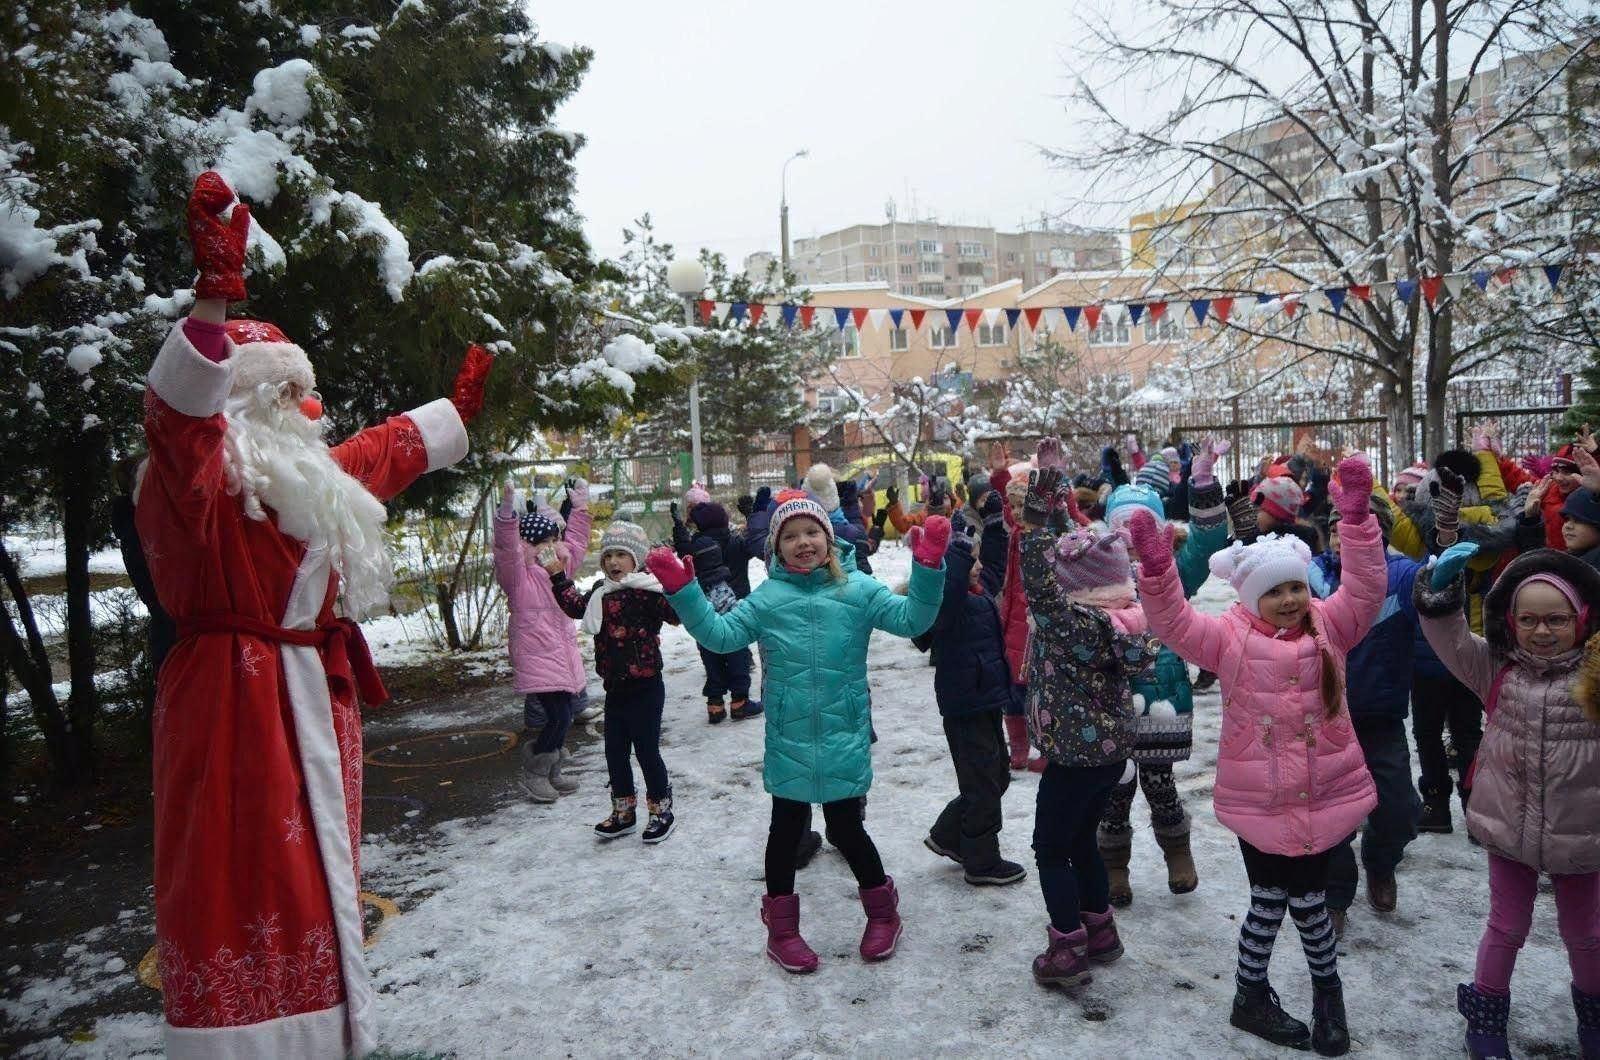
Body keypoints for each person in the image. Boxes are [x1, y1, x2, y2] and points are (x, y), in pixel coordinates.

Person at [139, 172, 485, 1056]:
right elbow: (180, 425)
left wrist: (451, 417)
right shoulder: (199, 486)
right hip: (233, 706)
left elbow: (372, 456)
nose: (308, 410)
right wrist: (214, 300)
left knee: (316, 873)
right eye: (287, 396)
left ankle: (325, 1029)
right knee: (240, 872)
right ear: (241, 402)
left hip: (310, 696)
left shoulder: (307, 478)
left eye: (304, 394)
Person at [1127, 454, 1385, 1057]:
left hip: (1323, 794)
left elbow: (1367, 586)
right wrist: (1158, 567)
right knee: (1274, 900)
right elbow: (1171, 622)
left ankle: (1320, 991)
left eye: (1297, 586)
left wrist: (1355, 517)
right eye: (1276, 591)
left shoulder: (1332, 627)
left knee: (1307, 900)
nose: (1291, 599)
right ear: (1250, 597)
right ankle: (1262, 993)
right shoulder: (1229, 640)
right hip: (1262, 801)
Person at [646, 496, 948, 973]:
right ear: (776, 550)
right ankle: (782, 930)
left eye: (811, 532)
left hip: (843, 734)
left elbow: (914, 619)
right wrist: (684, 591)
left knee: (848, 829)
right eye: (790, 536)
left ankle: (884, 914)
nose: (802, 542)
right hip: (788, 738)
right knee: (785, 833)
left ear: (828, 539)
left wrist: (929, 566)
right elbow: (721, 636)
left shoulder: (858, 590)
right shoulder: (768, 600)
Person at [1414, 545, 1600, 1060]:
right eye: (1529, 620)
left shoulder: (1597, 675)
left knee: (1586, 934)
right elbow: (1449, 640)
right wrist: (1440, 597)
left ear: (1581, 618)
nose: (1542, 631)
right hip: (1508, 828)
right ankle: (1487, 1018)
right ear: (1512, 622)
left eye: (1557, 619)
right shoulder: (1497, 668)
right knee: (1506, 926)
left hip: (1584, 828)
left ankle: (1595, 1018)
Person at [1016, 466, 1160, 994]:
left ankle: (1067, 947)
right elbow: (1067, 564)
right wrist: (1058, 506)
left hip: (1073, 761)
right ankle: (1099, 930)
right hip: (1107, 758)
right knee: (1082, 842)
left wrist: (1034, 517)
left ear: (1074, 587)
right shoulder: (1121, 617)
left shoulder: (1072, 624)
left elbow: (1040, 580)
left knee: (1050, 848)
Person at [1096, 438, 1231, 906]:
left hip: (1161, 699)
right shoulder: (1095, 573)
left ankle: (1178, 853)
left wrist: (1203, 482)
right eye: (1123, 525)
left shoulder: (1172, 571)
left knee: (1159, 783)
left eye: (1143, 525)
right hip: (1107, 699)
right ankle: (1114, 867)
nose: (1132, 536)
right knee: (1113, 791)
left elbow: (1210, 542)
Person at [1308, 496, 1424, 932]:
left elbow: (1434, 600)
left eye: (1354, 525)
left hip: (1380, 716)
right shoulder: (1310, 574)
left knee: (1398, 809)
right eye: (1335, 524)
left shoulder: (1402, 575)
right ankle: (1335, 896)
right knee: (1331, 815)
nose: (1341, 533)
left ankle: (1381, 860)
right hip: (1323, 720)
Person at [548, 521, 681, 843]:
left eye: (621, 554)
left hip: (647, 687)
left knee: (647, 751)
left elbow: (677, 614)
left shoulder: (648, 591)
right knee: (615, 752)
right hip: (615, 688)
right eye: (608, 555)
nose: (613, 562)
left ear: (636, 559)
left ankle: (661, 810)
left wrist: (677, 582)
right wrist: (557, 576)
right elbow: (575, 607)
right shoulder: (600, 592)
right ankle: (624, 811)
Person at [916, 519, 1027, 886]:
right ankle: (981, 860)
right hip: (965, 703)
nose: (977, 565)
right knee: (982, 783)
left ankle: (949, 834)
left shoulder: (978, 593)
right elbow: (946, 593)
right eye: (970, 559)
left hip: (985, 698)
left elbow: (995, 569)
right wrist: (958, 552)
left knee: (995, 775)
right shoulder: (948, 602)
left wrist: (994, 529)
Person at [493, 480, 592, 801]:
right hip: (537, 655)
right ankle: (535, 773)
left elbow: (576, 543)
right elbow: (506, 552)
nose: (553, 545)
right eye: (545, 541)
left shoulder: (558, 571)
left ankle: (551, 770)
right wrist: (507, 516)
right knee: (560, 716)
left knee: (564, 715)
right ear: (531, 544)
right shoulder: (519, 578)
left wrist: (580, 510)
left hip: (561, 655)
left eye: (555, 538)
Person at [672, 499, 762, 723]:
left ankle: (715, 705)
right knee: (738, 654)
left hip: (704, 611)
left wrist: (678, 528)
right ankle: (740, 702)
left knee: (710, 653)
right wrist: (752, 516)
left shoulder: (696, 545)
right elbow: (756, 545)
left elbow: (683, 551)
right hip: (736, 606)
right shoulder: (735, 542)